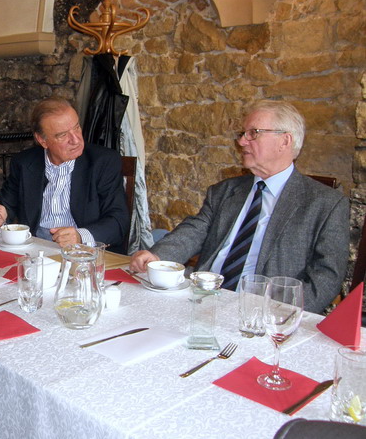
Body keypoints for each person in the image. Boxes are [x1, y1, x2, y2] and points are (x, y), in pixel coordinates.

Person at [130, 100, 349, 314]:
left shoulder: (324, 204)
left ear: (285, 141)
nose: (242, 141)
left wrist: (282, 314)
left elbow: (327, 276)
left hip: (263, 311)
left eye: (253, 133)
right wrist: (158, 256)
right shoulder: (225, 191)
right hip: (203, 300)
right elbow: (194, 231)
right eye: (242, 134)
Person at [0, 96, 129, 254]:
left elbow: (119, 221)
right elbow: (4, 208)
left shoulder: (103, 162)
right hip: (35, 252)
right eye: (63, 135)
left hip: (85, 254)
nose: (75, 140)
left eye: (76, 127)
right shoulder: (24, 163)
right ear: (43, 140)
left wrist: (80, 236)